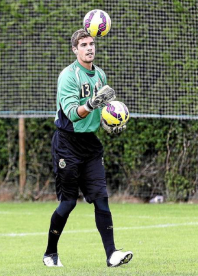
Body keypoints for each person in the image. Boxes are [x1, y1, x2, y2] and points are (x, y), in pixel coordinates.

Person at [43, 29, 133, 268]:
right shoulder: (68, 76)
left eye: (91, 43)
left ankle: (112, 254)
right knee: (68, 203)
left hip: (90, 145)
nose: (89, 48)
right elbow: (73, 114)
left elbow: (100, 115)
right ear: (75, 50)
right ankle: (50, 254)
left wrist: (111, 122)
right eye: (83, 44)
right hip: (66, 144)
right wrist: (93, 103)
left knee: (101, 199)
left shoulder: (100, 74)